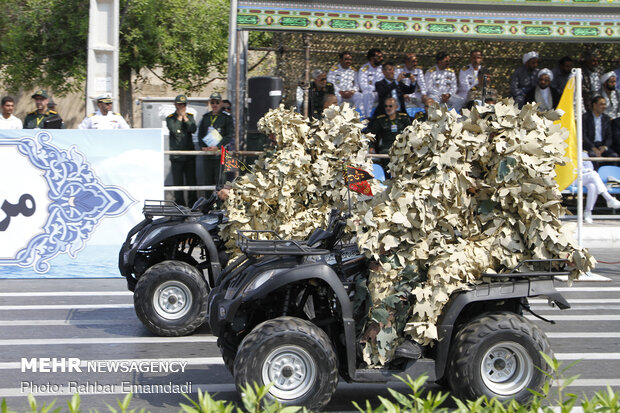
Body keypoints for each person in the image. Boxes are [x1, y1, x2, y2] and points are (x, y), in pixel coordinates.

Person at [166, 94, 198, 207]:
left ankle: (193, 206)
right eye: (179, 104)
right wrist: (179, 118)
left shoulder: (190, 116)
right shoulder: (170, 118)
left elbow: (193, 128)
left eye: (183, 105)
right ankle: (180, 207)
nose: (181, 107)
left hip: (189, 156)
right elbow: (174, 130)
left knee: (192, 183)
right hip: (177, 156)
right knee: (178, 184)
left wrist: (185, 118)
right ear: (175, 105)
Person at [367, 97, 411, 172]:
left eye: (390, 106)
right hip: (386, 147)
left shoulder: (404, 118)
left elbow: (411, 132)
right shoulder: (380, 120)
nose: (388, 108)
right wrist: (371, 146)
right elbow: (371, 134)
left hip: (402, 146)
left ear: (396, 107)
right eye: (386, 106)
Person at [198, 92, 234, 186]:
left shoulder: (226, 118)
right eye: (212, 102)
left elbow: (229, 135)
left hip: (220, 154)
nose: (215, 105)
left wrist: (218, 147)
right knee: (208, 182)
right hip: (208, 154)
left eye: (217, 102)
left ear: (221, 103)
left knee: (221, 181)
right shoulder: (206, 117)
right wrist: (202, 147)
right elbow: (200, 133)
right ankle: (208, 201)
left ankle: (220, 201)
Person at [574, 154, 620, 223]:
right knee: (594, 174)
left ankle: (588, 212)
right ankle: (609, 199)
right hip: (573, 179)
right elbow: (572, 168)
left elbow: (590, 166)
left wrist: (585, 171)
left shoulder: (583, 153)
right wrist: (585, 171)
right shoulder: (568, 152)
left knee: (593, 186)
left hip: (585, 177)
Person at [358, 48, 384, 118]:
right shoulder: (364, 69)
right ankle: (368, 117)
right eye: (379, 57)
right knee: (368, 94)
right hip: (371, 93)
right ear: (372, 58)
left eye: (381, 56)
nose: (382, 58)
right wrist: (376, 88)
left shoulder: (383, 68)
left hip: (382, 92)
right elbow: (363, 86)